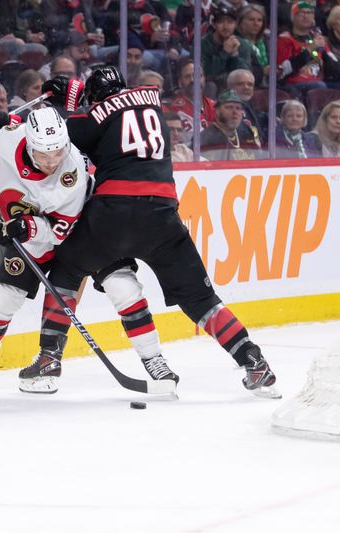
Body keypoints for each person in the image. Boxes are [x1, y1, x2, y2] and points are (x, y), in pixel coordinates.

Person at [36, 66, 280, 398]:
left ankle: (49, 358)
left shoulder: (99, 114)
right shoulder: (152, 105)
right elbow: (116, 122)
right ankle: (253, 360)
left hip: (113, 214)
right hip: (162, 216)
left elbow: (57, 134)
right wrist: (79, 98)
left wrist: (64, 103)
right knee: (201, 299)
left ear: (96, 99)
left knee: (64, 269)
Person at [0, 106, 179, 393]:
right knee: (3, 298)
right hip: (31, 235)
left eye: (58, 152)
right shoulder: (5, 141)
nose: (52, 161)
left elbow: (61, 232)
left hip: (86, 228)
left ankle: (154, 359)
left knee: (122, 287)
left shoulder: (71, 173)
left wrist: (26, 228)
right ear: (29, 144)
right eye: (44, 155)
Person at [277, 1, 327, 100]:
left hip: (317, 81)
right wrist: (310, 49)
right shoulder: (284, 39)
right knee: (319, 87)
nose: (306, 16)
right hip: (293, 84)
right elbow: (283, 70)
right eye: (301, 13)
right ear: (293, 17)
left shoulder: (317, 38)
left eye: (309, 13)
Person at [200, 90, 261, 161]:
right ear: (217, 111)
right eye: (229, 107)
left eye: (238, 108)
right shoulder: (206, 139)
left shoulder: (246, 132)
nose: (235, 112)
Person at [200, 2, 251, 87]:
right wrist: (225, 53)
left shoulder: (242, 44)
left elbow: (247, 75)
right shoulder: (203, 44)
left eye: (230, 22)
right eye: (221, 22)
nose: (225, 26)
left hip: (236, 88)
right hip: (212, 89)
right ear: (214, 24)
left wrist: (234, 55)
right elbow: (207, 75)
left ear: (235, 24)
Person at [166, 57, 217, 135]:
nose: (193, 80)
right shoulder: (175, 108)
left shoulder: (214, 106)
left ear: (204, 79)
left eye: (197, 76)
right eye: (187, 76)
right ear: (180, 82)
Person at [236, 4, 269, 86]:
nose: (256, 24)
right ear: (240, 22)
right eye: (251, 19)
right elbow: (240, 70)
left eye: (259, 20)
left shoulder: (266, 42)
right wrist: (263, 71)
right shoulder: (236, 43)